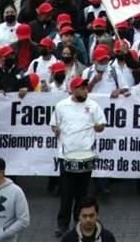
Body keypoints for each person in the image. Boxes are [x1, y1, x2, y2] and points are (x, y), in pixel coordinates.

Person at [50, 76, 106, 236]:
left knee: (83, 194)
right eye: (81, 88)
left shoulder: (93, 105)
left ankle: (79, 221)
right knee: (66, 193)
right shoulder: (61, 106)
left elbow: (101, 125)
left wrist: (98, 126)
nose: (85, 90)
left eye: (86, 88)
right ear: (74, 90)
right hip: (66, 155)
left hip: (86, 154)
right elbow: (54, 124)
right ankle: (62, 224)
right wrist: (56, 130)